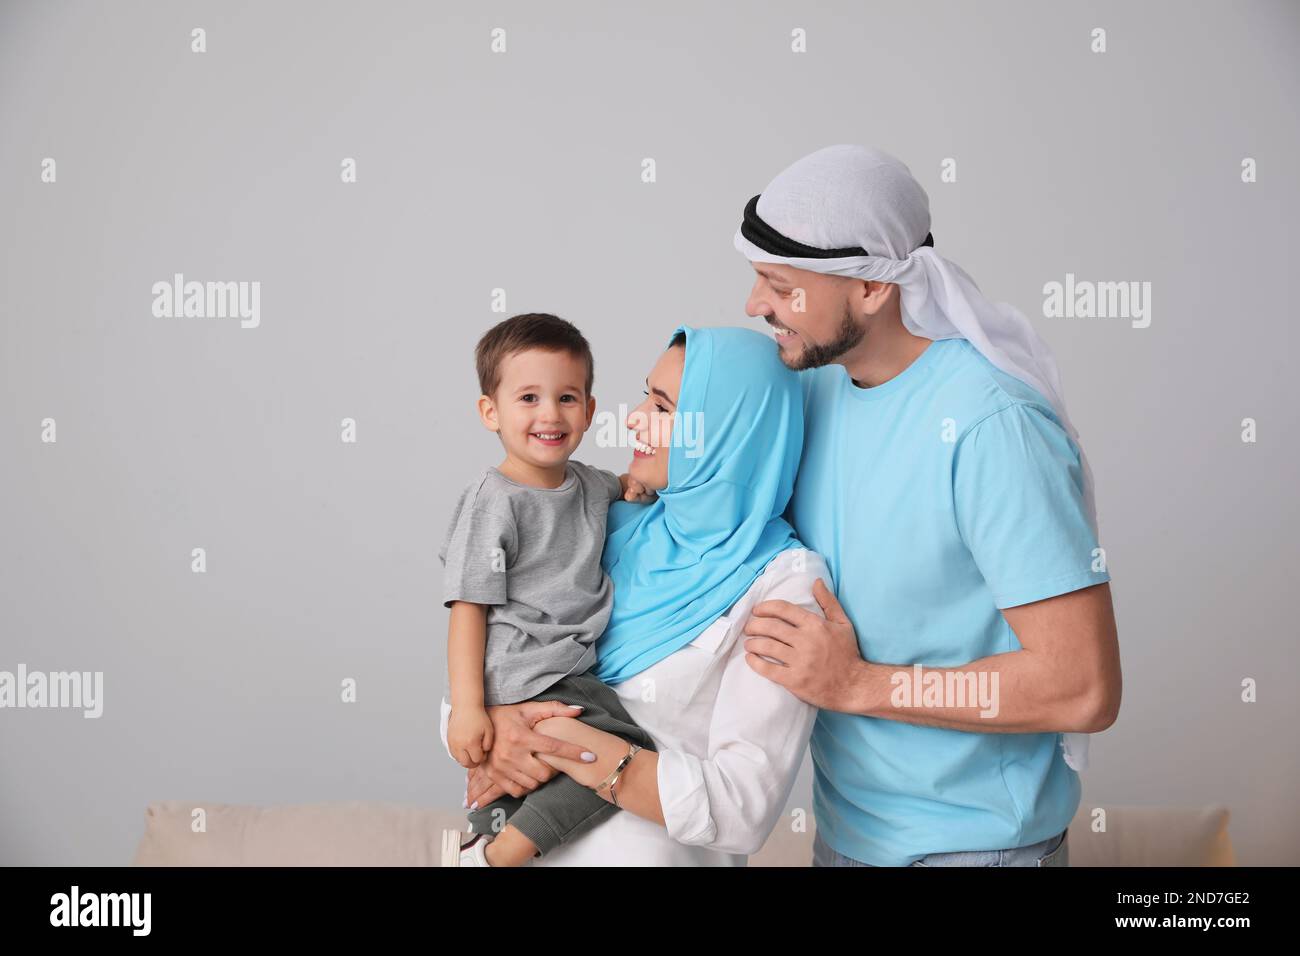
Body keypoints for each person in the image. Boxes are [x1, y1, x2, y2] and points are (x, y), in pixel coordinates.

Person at [732, 144, 1122, 866]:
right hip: (845, 842)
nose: (756, 305)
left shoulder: (991, 427)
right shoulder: (812, 394)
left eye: (779, 285)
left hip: (979, 854)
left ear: (873, 288)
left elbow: (1083, 686)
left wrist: (857, 685)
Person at [448, 324, 832, 865]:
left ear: (731, 431)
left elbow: (745, 809)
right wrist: (489, 722)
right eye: (645, 394)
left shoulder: (785, 582)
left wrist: (586, 751)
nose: (633, 418)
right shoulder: (609, 522)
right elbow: (496, 645)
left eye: (664, 407)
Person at [437, 312, 659, 867]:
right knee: (623, 754)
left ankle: (479, 843)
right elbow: (468, 608)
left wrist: (633, 486)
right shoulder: (496, 501)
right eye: (528, 398)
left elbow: (623, 487)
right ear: (491, 411)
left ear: (588, 409)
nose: (549, 415)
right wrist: (467, 708)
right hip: (527, 670)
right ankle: (509, 849)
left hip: (569, 668)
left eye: (566, 398)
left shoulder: (589, 483)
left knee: (525, 778)